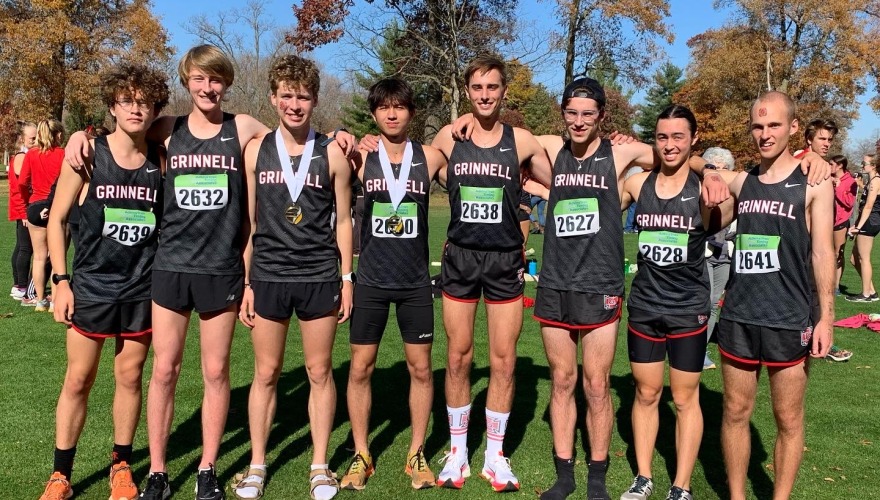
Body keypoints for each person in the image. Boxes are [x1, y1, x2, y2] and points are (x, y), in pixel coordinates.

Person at [62, 45, 354, 500]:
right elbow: (124, 130)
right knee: (164, 371)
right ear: (186, 82)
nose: (207, 88)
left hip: (221, 270)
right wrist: (84, 135)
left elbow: (295, 130)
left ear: (227, 84)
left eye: (215, 80)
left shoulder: (243, 129)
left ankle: (207, 467)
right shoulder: (167, 128)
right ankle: (157, 470)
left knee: (216, 373)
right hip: (170, 267)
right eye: (199, 79)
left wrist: (341, 132)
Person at [39, 62, 168, 500]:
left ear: (154, 108)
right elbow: (56, 220)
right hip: (92, 286)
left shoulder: (161, 158)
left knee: (130, 378)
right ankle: (61, 476)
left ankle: (121, 465)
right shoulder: (88, 154)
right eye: (127, 100)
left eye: (144, 101)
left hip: (142, 288)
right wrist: (60, 280)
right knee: (78, 379)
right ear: (113, 104)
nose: (136, 108)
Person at [428, 55, 553, 493]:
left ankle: (495, 455)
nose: (485, 95)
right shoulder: (449, 135)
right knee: (458, 356)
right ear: (468, 92)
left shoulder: (521, 141)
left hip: (504, 260)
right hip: (460, 258)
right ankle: (458, 451)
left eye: (492, 88)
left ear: (504, 91)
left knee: (503, 359)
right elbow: (405, 157)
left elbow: (558, 176)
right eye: (477, 88)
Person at [234, 54, 353, 500]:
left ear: (315, 100)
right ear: (273, 98)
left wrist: (346, 278)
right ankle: (257, 464)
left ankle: (319, 465)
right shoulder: (255, 150)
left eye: (303, 96)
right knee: (266, 373)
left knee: (319, 370)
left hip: (319, 275)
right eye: (287, 95)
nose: (295, 104)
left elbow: (344, 221)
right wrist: (245, 282)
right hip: (267, 275)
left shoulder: (334, 153)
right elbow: (248, 222)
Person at [716, 91, 834, 500]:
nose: (765, 134)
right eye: (758, 126)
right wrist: (712, 174)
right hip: (739, 316)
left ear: (794, 127)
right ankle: (736, 495)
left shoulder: (815, 182)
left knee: (787, 417)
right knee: (734, 412)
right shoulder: (743, 180)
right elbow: (695, 163)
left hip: (790, 316)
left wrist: (826, 318)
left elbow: (823, 251)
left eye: (774, 126)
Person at [336, 77, 447, 492]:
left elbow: (472, 175)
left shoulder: (431, 157)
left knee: (421, 368)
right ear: (374, 113)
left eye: (400, 106)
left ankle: (416, 451)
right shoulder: (361, 157)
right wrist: (340, 135)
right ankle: (362, 452)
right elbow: (323, 154)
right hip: (371, 282)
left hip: (416, 283)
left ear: (411, 113)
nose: (392, 113)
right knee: (361, 367)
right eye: (384, 107)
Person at [618, 105, 732, 500]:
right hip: (645, 306)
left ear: (693, 139)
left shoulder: (705, 189)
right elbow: (603, 195)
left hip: (688, 308)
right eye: (662, 137)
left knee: (684, 398)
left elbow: (732, 196)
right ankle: (643, 477)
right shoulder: (637, 186)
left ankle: (680, 485)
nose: (669, 145)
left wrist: (712, 173)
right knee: (646, 393)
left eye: (678, 137)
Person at [18, 118, 65, 311]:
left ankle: (39, 300)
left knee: (38, 256)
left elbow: (21, 182)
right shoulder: (62, 154)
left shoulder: (31, 155)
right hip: (56, 206)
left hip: (35, 205)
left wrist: (29, 200)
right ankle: (54, 300)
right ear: (58, 135)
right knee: (56, 256)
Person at [700, 147, 737, 370]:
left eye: (725, 168)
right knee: (704, 302)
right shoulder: (702, 191)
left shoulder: (735, 194)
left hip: (724, 254)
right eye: (715, 168)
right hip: (704, 253)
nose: (721, 173)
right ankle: (693, 347)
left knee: (714, 304)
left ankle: (702, 349)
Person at [847, 141, 880, 303]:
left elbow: (868, 207)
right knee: (854, 259)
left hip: (870, 222)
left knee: (863, 258)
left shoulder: (876, 181)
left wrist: (858, 227)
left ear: (873, 165)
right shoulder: (870, 181)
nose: (862, 165)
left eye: (864, 163)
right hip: (865, 221)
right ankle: (872, 291)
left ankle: (866, 294)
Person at [8, 121, 37, 301]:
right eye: (32, 138)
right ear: (22, 139)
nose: (35, 141)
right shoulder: (21, 157)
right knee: (26, 248)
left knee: (21, 247)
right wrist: (25, 212)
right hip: (23, 207)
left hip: (23, 207)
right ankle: (21, 286)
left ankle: (18, 285)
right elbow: (20, 189)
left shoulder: (27, 156)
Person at [831, 155, 857, 297]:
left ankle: (836, 287)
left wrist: (838, 188)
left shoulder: (850, 181)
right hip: (827, 220)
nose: (829, 167)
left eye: (832, 164)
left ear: (840, 165)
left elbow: (849, 203)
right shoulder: (829, 177)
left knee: (837, 253)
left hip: (841, 221)